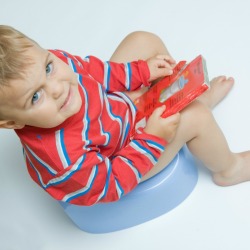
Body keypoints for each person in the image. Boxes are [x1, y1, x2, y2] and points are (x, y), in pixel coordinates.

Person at [0, 25, 249, 206]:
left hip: (113, 113)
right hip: (121, 158)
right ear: (12, 122)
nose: (57, 88)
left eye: (48, 68)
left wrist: (141, 71)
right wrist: (152, 138)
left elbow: (91, 71)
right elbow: (111, 183)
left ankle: (189, 96)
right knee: (197, 117)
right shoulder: (64, 158)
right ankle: (229, 169)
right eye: (35, 97)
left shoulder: (55, 64)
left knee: (142, 40)